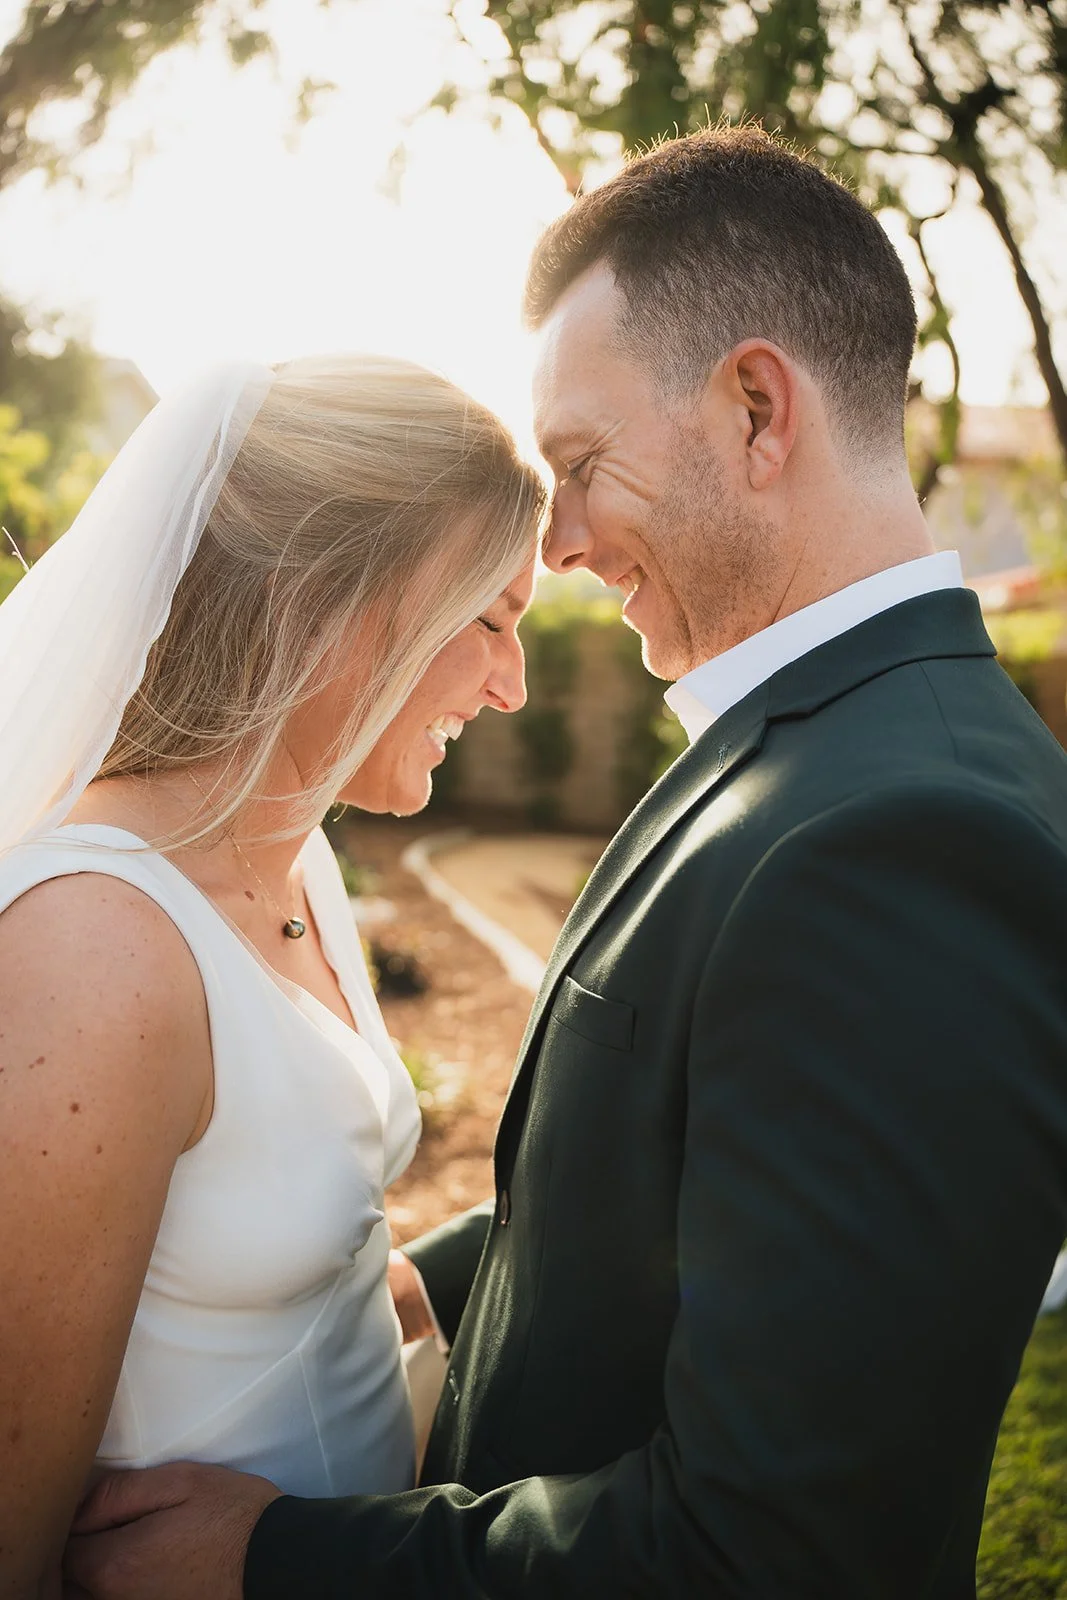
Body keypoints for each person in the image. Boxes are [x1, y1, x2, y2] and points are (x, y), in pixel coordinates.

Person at [68, 126, 1067, 1600]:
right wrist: (445, 1276)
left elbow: (772, 1549)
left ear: (752, 408)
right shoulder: (823, 741)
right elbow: (682, 1184)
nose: (560, 547)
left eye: (581, 468)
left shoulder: (901, 838)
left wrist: (273, 1562)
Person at [0, 353, 542, 1598]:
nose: (511, 684)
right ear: (340, 603)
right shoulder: (96, 944)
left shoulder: (297, 865)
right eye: (490, 620)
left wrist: (375, 1287)